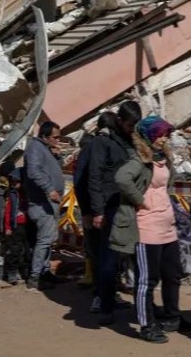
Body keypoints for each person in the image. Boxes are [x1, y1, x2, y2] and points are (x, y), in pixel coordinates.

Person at [114, 116, 182, 344]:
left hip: (167, 227)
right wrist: (141, 200)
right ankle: (146, 325)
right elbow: (122, 179)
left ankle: (172, 317)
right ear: (149, 135)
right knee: (147, 280)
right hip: (147, 228)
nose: (164, 139)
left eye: (166, 134)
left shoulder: (162, 158)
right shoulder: (139, 159)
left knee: (172, 275)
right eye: (161, 134)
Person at [88, 102, 141, 324]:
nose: (132, 129)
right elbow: (95, 176)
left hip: (131, 207)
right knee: (109, 260)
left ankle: (142, 307)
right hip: (110, 207)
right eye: (129, 125)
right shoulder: (103, 142)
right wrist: (97, 211)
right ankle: (106, 306)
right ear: (120, 120)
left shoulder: (133, 141)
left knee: (138, 259)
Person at [73, 111, 117, 305]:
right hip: (98, 211)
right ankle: (102, 296)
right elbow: (83, 181)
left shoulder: (91, 147)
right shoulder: (96, 147)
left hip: (95, 209)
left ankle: (104, 292)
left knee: (101, 252)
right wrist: (89, 212)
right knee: (102, 253)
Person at [24, 121, 65, 292]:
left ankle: (45, 272)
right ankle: (34, 277)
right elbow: (34, 171)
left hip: (49, 203)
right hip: (42, 203)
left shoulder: (44, 149)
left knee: (48, 241)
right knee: (44, 241)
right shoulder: (35, 148)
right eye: (55, 137)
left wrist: (57, 156)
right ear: (44, 136)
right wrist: (50, 189)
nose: (57, 140)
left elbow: (51, 169)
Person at [1, 168, 29, 286]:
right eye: (12, 181)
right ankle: (12, 272)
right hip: (16, 226)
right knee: (15, 250)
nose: (14, 183)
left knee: (27, 250)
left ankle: (24, 271)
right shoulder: (12, 194)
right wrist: (8, 227)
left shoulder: (28, 193)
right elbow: (8, 212)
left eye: (16, 181)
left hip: (28, 225)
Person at [0, 160, 16, 282]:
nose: (1, 180)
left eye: (3, 177)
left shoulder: (16, 192)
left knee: (13, 249)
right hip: (0, 226)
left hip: (14, 227)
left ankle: (12, 272)